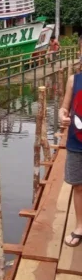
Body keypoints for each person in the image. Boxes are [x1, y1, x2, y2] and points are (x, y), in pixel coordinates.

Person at [58, 69, 82, 247]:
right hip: (76, 143)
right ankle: (80, 226)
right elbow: (64, 108)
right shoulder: (74, 80)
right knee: (78, 186)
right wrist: (62, 116)